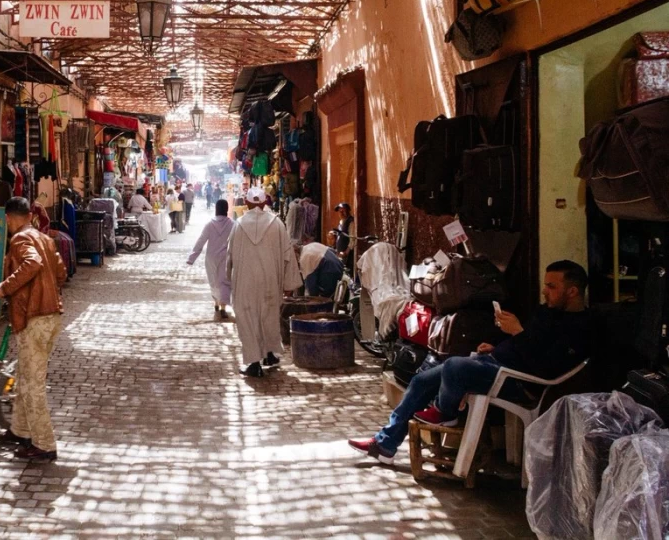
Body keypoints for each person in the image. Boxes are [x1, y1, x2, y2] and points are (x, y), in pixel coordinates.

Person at [349, 260, 593, 463]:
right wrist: (498, 347)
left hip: (518, 381)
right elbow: (530, 344)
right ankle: (385, 444)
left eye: (551, 287)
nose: (544, 291)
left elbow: (545, 366)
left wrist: (518, 332)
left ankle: (446, 411)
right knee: (422, 379)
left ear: (572, 291)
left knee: (455, 366)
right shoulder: (547, 312)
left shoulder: (579, 328)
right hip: (497, 364)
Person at [0, 197, 68, 461]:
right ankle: (20, 431)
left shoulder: (21, 239)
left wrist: (5, 288)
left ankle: (45, 445)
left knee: (32, 385)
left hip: (36, 317)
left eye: (6, 220)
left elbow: (32, 264)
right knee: (23, 377)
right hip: (49, 316)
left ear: (10, 217)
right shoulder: (44, 238)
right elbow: (61, 273)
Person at [226, 187, 303, 377]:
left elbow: (229, 256)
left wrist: (229, 277)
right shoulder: (277, 224)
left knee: (248, 319)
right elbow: (288, 255)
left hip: (245, 282)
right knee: (269, 317)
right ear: (263, 203)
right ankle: (270, 354)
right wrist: (289, 284)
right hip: (270, 281)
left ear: (248, 203)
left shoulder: (239, 225)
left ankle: (253, 362)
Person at [187, 199, 235, 318]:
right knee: (224, 282)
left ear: (216, 209)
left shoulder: (210, 224)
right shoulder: (233, 224)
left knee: (214, 281)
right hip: (226, 257)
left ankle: (216, 303)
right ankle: (223, 305)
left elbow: (201, 240)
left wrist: (192, 258)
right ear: (227, 209)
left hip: (211, 257)